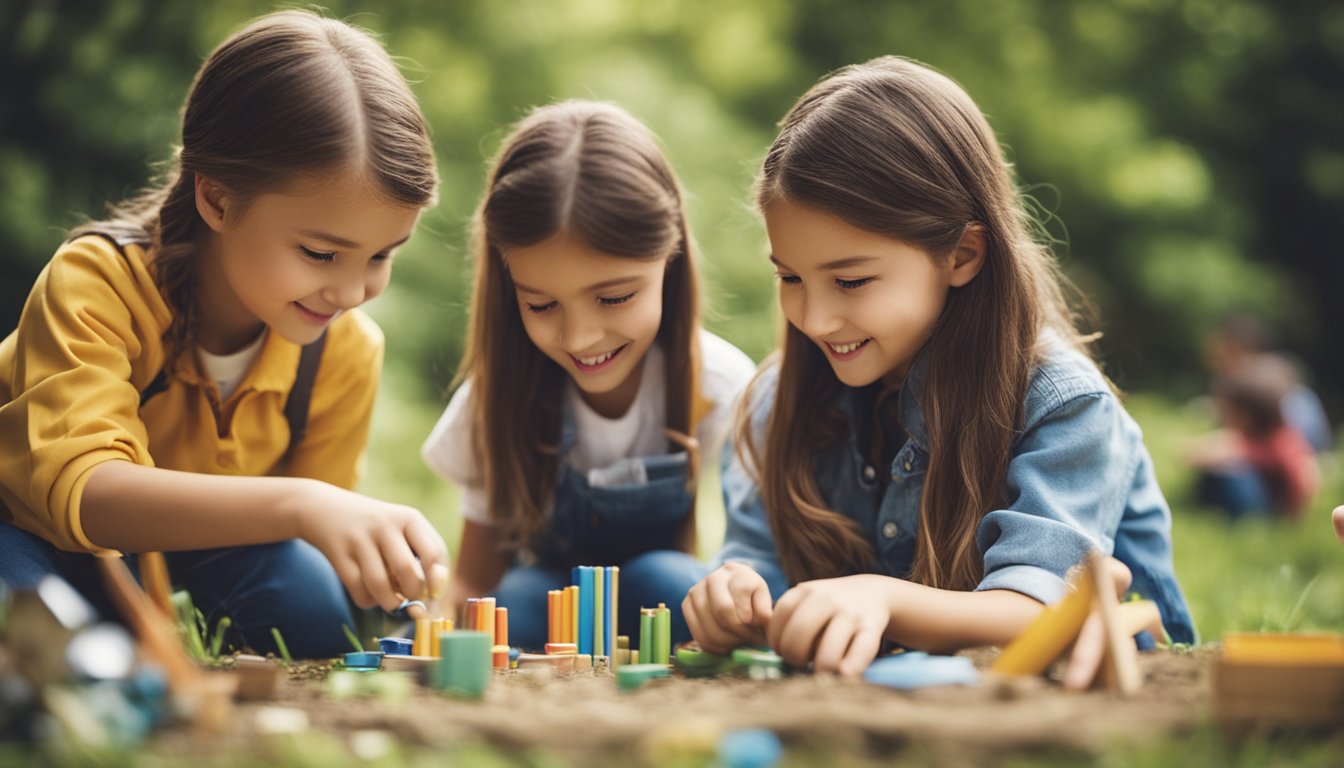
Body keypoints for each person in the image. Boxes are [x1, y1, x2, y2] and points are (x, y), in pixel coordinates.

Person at [682, 57, 1196, 677]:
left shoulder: (1061, 402)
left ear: (962, 254)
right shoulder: (776, 402)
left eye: (850, 280)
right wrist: (734, 594)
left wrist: (884, 596)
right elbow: (758, 566)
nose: (813, 319)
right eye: (790, 277)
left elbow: (1041, 604)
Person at [0, 11, 447, 659]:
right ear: (217, 201)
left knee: (311, 603)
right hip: (34, 537)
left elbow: (309, 547)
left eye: (382, 256)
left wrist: (380, 570)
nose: (352, 294)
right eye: (321, 254)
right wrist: (302, 503)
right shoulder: (96, 282)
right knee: (28, 621)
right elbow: (87, 493)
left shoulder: (344, 350)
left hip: (188, 561)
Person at [422, 100, 756, 650]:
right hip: (547, 605)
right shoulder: (493, 400)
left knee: (668, 581)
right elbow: (475, 578)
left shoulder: (716, 384)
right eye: (542, 305)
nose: (579, 339)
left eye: (615, 296)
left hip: (660, 599)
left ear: (669, 258)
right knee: (515, 603)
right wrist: (436, 624)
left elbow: (748, 554)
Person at [1184, 357, 1320, 520]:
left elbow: (1302, 478)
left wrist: (1293, 514)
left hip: (1270, 506)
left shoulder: (1282, 441)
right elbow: (1225, 444)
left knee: (1232, 473)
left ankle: (1245, 519)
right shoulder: (1249, 435)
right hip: (1257, 495)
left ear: (1247, 415)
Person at [1204, 313, 1332, 454]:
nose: (1218, 362)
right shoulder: (1239, 379)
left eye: (1223, 355)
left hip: (1301, 448)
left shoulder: (1263, 380)